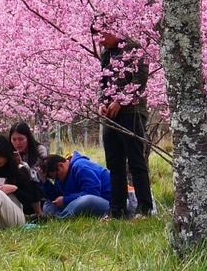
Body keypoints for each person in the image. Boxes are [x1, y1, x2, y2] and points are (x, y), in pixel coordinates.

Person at [98, 24, 154, 218]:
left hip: (132, 113)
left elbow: (140, 81)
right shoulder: (106, 54)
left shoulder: (134, 48)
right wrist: (102, 104)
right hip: (110, 117)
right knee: (114, 163)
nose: (101, 39)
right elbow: (102, 83)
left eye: (103, 33)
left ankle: (145, 209)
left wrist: (120, 100)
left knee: (136, 161)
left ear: (114, 29)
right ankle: (117, 210)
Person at [40, 152, 113, 219]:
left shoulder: (81, 166)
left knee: (86, 200)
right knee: (48, 205)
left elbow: (93, 193)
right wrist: (45, 182)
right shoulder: (62, 177)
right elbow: (57, 197)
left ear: (61, 165)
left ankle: (60, 218)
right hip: (78, 203)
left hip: (108, 202)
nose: (57, 180)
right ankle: (61, 216)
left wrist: (65, 200)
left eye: (57, 177)